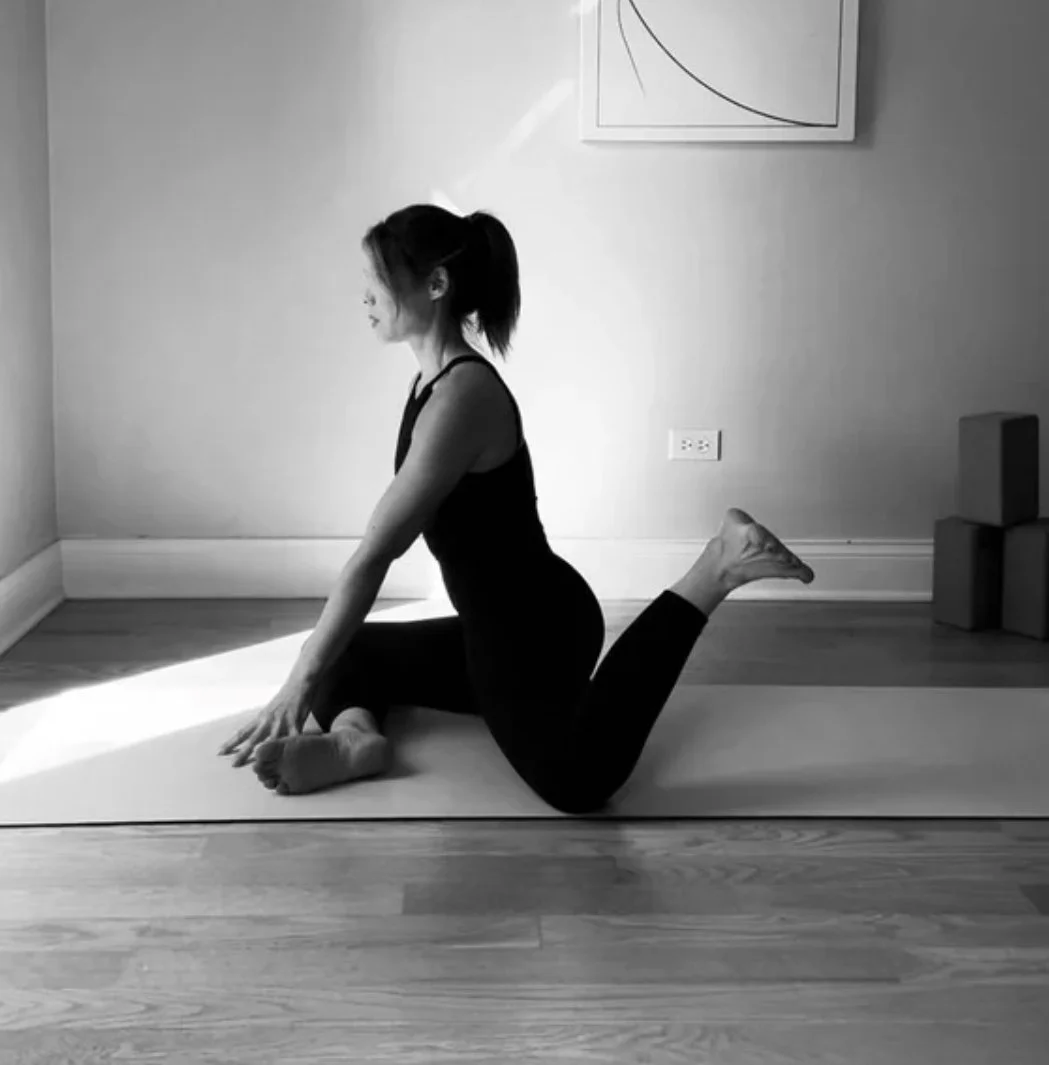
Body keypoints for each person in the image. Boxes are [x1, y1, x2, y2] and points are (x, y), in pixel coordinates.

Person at [217, 204, 814, 815]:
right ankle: (355, 739)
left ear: (436, 284)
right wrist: (310, 669)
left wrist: (296, 685)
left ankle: (717, 568)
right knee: (342, 647)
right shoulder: (431, 382)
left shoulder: (462, 398)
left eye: (377, 280)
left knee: (576, 781)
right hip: (497, 623)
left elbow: (375, 554)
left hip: (532, 634)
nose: (364, 295)